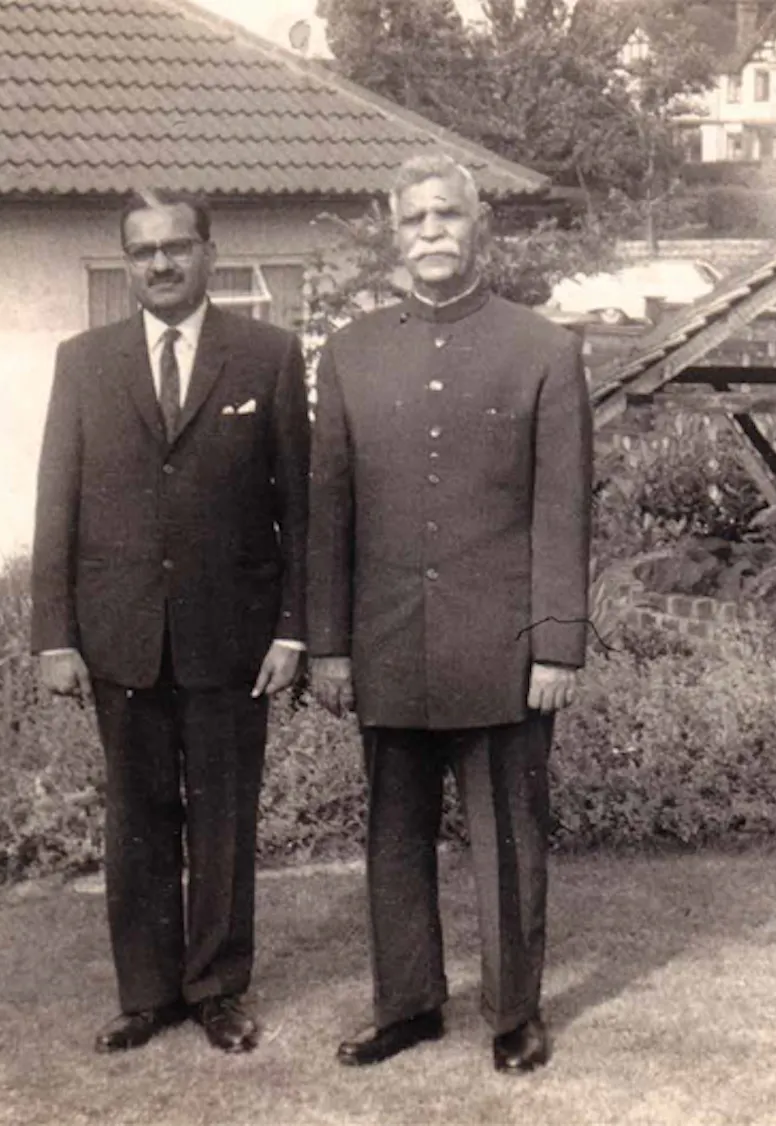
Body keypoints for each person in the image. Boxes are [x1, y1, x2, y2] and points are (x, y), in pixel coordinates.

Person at [307, 153, 592, 1074]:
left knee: (508, 842)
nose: (430, 232)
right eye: (413, 219)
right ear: (395, 235)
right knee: (393, 838)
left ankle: (513, 1014)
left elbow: (561, 511)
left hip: (502, 649)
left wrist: (557, 646)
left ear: (480, 227)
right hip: (387, 641)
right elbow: (329, 511)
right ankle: (407, 1005)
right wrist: (329, 646)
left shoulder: (543, 350)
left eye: (447, 215)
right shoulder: (350, 352)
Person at [31, 188, 309, 1056]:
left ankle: (217, 990)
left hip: (233, 639)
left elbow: (300, 508)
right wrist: (53, 633)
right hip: (122, 636)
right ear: (126, 264)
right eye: (143, 251)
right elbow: (56, 502)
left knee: (224, 820)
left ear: (208, 254)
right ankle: (147, 993)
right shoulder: (84, 361)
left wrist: (293, 629)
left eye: (176, 247)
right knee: (138, 820)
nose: (160, 263)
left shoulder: (267, 355)